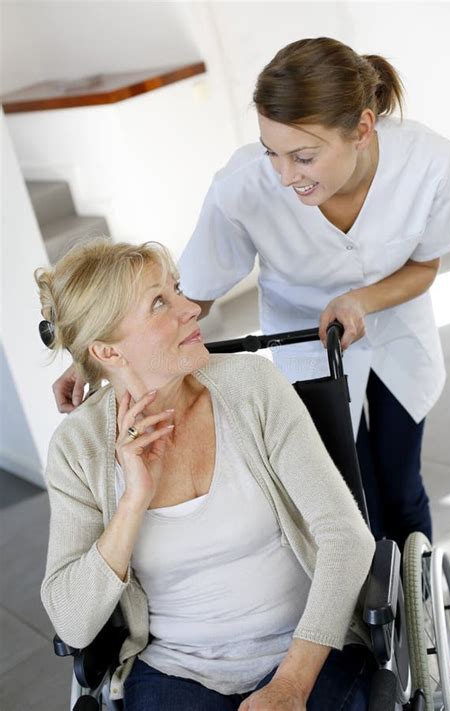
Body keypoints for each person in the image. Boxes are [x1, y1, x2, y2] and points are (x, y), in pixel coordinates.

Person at [50, 38, 450, 553]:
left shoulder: (430, 163)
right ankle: (369, 612)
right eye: (272, 152)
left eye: (304, 156)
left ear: (362, 129)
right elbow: (194, 293)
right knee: (348, 495)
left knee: (401, 489)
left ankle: (422, 605)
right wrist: (96, 358)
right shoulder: (244, 187)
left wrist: (362, 299)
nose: (285, 174)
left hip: (398, 334)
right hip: (306, 344)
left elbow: (425, 265)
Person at [37, 239, 375, 711]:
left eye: (176, 290)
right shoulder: (78, 449)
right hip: (175, 669)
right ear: (108, 353)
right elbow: (73, 623)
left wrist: (291, 685)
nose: (192, 309)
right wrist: (134, 499)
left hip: (307, 646)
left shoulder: (253, 387)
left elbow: (347, 538)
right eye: (160, 302)